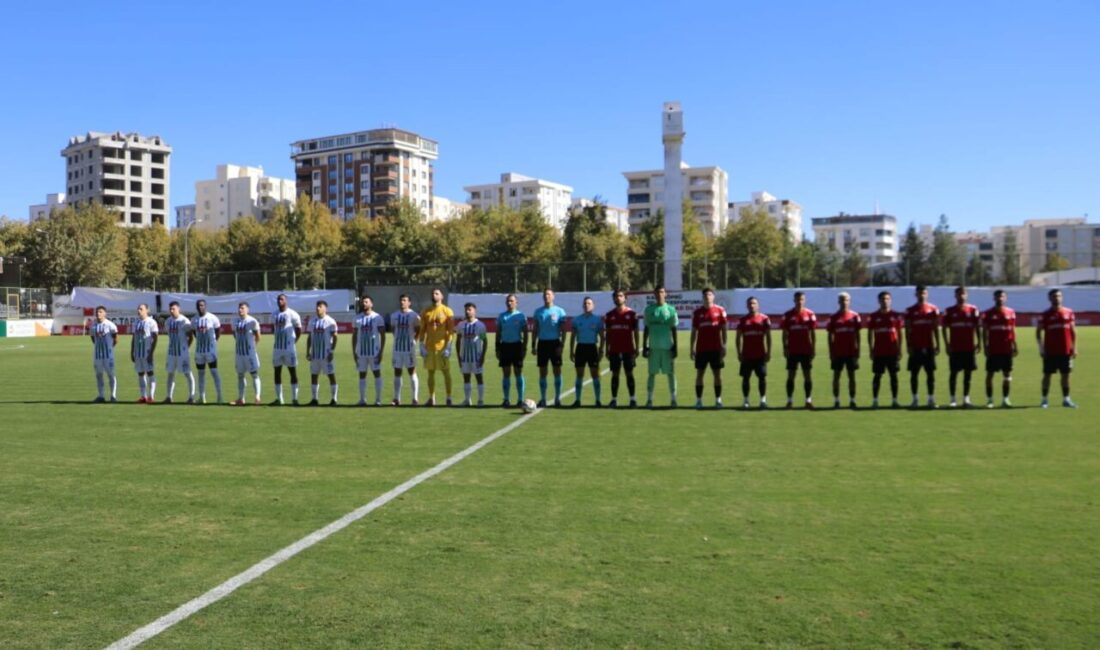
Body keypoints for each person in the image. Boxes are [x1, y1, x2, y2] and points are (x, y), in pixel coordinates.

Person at [1037, 288, 1077, 408]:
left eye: (1059, 296)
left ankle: (1066, 399)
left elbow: (1073, 331)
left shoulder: (1069, 312)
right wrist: (1041, 348)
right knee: (1047, 375)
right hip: (1050, 351)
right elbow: (1038, 332)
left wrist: (1074, 347)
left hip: (1066, 351)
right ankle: (1044, 400)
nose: (1057, 298)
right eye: (1054, 296)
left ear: (1062, 297)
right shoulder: (1045, 314)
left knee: (1066, 375)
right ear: (1049, 299)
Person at [943, 286, 981, 408]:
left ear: (967, 295)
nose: (962, 296)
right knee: (953, 373)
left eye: (964, 294)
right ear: (955, 296)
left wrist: (979, 342)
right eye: (959, 294)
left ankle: (966, 399)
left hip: (969, 347)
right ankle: (952, 399)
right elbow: (944, 328)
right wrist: (947, 344)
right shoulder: (949, 311)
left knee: (968, 374)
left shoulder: (973, 310)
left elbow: (977, 327)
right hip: (955, 347)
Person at [905, 285, 942, 408]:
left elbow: (935, 328)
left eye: (924, 293)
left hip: (929, 346)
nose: (922, 295)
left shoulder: (933, 309)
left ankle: (931, 399)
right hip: (915, 347)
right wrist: (909, 345)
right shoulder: (910, 310)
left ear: (927, 294)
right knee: (914, 374)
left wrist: (937, 344)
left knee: (930, 374)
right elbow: (908, 329)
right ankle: (915, 399)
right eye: (919, 293)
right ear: (916, 295)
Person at [690, 287, 727, 409]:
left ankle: (718, 400)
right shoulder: (697, 313)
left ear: (713, 296)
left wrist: (724, 346)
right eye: (705, 295)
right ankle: (699, 401)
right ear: (702, 297)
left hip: (716, 349)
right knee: (700, 374)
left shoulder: (720, 310)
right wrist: (692, 348)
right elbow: (694, 332)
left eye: (710, 294)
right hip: (701, 349)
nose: (707, 296)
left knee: (717, 375)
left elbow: (724, 330)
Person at [643, 286, 679, 408]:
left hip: (667, 348)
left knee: (671, 373)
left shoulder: (671, 309)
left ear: (665, 294)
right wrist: (645, 346)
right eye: (657, 292)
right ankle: (649, 400)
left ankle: (673, 399)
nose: (659, 294)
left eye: (662, 292)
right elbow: (646, 328)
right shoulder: (649, 310)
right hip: (653, 348)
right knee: (651, 373)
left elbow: (674, 329)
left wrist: (675, 347)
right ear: (654, 294)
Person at [419, 288, 456, 406]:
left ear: (441, 296)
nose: (434, 295)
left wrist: (448, 346)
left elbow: (450, 331)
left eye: (436, 293)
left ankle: (449, 398)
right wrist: (421, 345)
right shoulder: (426, 311)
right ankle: (431, 398)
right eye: (433, 293)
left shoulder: (447, 311)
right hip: (429, 347)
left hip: (442, 348)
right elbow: (422, 330)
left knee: (446, 373)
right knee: (430, 373)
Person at [981, 289, 1017, 408]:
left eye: (1002, 296)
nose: (1000, 298)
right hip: (993, 349)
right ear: (994, 298)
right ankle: (990, 400)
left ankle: (1005, 399)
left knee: (1007, 375)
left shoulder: (1011, 312)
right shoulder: (988, 313)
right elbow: (984, 332)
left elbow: (1012, 330)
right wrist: (985, 346)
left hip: (1007, 349)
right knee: (989, 375)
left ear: (1005, 298)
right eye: (998, 296)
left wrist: (1015, 345)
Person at [867, 291, 904, 408]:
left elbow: (900, 333)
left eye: (887, 299)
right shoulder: (873, 316)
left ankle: (895, 400)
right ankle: (875, 400)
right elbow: (870, 334)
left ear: (891, 300)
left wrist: (900, 349)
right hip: (879, 351)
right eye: (883, 299)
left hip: (892, 351)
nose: (885, 301)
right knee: (877, 376)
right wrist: (871, 349)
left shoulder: (896, 315)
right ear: (879, 301)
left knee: (893, 375)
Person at [604, 289, 640, 408]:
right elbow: (608, 334)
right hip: (614, 349)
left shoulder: (632, 314)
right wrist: (607, 349)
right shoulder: (609, 315)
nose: (618, 298)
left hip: (628, 349)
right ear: (613, 299)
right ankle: (614, 400)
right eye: (616, 296)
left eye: (620, 296)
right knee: (615, 374)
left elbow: (636, 333)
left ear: (625, 298)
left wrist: (636, 348)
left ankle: (633, 399)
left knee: (629, 373)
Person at [781, 291, 816, 409]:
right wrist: (785, 348)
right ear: (794, 300)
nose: (799, 301)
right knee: (791, 376)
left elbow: (813, 333)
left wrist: (813, 348)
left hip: (806, 350)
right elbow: (784, 334)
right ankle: (789, 400)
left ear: (804, 300)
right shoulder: (788, 315)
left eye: (801, 299)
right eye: (797, 299)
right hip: (792, 350)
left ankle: (808, 400)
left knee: (807, 376)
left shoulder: (810, 314)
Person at [532, 288, 567, 407]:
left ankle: (557, 399)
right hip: (542, 344)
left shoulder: (560, 311)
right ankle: (543, 399)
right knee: (543, 372)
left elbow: (563, 330)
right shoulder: (538, 311)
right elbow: (535, 329)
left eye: (548, 294)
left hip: (555, 343)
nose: (546, 296)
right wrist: (533, 344)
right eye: (545, 294)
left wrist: (561, 345)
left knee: (557, 371)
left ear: (553, 296)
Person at [569, 296, 605, 407]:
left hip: (592, 348)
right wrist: (571, 351)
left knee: (595, 375)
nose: (586, 305)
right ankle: (577, 400)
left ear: (593, 306)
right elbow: (573, 336)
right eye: (585, 303)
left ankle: (598, 400)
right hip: (580, 348)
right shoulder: (577, 320)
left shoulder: (597, 320)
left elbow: (602, 337)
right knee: (579, 375)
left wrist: (601, 350)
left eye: (589, 303)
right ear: (582, 305)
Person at [827, 292, 861, 409]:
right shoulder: (833, 317)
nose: (844, 302)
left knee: (852, 377)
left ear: (849, 301)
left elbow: (858, 335)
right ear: (838, 302)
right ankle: (836, 400)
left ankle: (852, 400)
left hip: (851, 352)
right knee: (836, 377)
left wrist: (858, 351)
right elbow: (830, 336)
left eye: (846, 300)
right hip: (838, 352)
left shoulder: (855, 316)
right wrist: (831, 352)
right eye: (842, 300)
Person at [736, 296, 771, 409]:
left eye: (754, 303)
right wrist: (739, 353)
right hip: (746, 355)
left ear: (758, 305)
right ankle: (746, 401)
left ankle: (763, 400)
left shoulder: (764, 319)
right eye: (750, 303)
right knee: (746, 378)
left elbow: (768, 337)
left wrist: (768, 352)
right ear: (747, 306)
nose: (752, 305)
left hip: (760, 355)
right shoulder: (742, 320)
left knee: (762, 378)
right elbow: (738, 338)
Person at [352, 295, 386, 406]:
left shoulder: (377, 317)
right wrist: (354, 352)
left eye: (366, 302)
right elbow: (354, 336)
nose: (364, 303)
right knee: (362, 375)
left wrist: (381, 352)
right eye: (363, 302)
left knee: (377, 374)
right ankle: (362, 399)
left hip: (374, 352)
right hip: (361, 352)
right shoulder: (357, 318)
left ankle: (378, 400)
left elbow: (383, 335)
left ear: (371, 304)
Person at [496, 293, 528, 407]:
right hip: (505, 346)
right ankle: (506, 399)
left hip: (517, 346)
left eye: (512, 301)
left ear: (516, 303)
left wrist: (524, 347)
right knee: (506, 373)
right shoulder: (501, 316)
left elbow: (525, 333)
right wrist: (497, 348)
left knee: (518, 372)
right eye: (508, 301)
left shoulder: (521, 316)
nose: (509, 303)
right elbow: (498, 333)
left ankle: (520, 399)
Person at [271, 293, 302, 406]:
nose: (279, 301)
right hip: (277, 348)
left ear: (286, 301)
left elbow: (299, 329)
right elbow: (272, 328)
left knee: (292, 372)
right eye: (278, 299)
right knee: (277, 372)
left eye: (282, 299)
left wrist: (294, 341)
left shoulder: (292, 314)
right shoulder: (274, 314)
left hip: (289, 349)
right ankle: (280, 399)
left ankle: (295, 398)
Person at [390, 294, 421, 406]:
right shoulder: (394, 315)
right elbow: (393, 329)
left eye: (404, 300)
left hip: (409, 348)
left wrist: (414, 340)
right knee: (397, 372)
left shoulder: (414, 315)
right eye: (401, 300)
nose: (402, 302)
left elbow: (418, 329)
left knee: (411, 371)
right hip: (397, 348)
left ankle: (415, 398)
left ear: (409, 303)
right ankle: (396, 398)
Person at [162, 301, 195, 404]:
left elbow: (191, 337)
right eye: (170, 309)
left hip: (182, 352)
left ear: (178, 309)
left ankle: (191, 396)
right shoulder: (168, 322)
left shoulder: (184, 321)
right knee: (170, 373)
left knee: (187, 373)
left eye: (174, 309)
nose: (172, 311)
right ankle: (169, 397)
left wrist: (186, 348)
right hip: (171, 352)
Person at [307, 300, 338, 406]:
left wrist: (332, 351)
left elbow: (335, 337)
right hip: (315, 355)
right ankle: (314, 399)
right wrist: (308, 351)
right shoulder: (312, 321)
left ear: (325, 308)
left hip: (326, 355)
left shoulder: (330, 321)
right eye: (317, 306)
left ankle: (334, 399)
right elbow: (310, 337)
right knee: (314, 376)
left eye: (320, 306)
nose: (317, 308)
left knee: (331, 375)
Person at [456, 302, 488, 407]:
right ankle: (467, 400)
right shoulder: (461, 325)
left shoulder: (480, 325)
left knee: (479, 377)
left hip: (476, 357)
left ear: (475, 311)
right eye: (466, 309)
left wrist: (482, 356)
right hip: (465, 357)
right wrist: (459, 356)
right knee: (466, 377)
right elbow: (458, 341)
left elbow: (484, 341)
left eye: (469, 309)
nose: (467, 311)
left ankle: (480, 400)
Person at [192, 299, 223, 404]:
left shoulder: (212, 318)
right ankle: (202, 397)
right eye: (198, 305)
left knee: (214, 372)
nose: (200, 307)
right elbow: (194, 332)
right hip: (199, 351)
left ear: (205, 306)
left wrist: (213, 343)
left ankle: (220, 397)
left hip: (210, 351)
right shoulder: (194, 319)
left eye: (202, 305)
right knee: (200, 373)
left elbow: (218, 331)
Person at [232, 302, 262, 405]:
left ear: (247, 310)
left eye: (242, 308)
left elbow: (258, 336)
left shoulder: (252, 321)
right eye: (239, 308)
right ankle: (241, 398)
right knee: (240, 375)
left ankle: (257, 397)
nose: (240, 310)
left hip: (250, 354)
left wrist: (253, 347)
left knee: (254, 374)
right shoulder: (235, 321)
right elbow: (235, 334)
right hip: (239, 354)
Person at [89, 305, 118, 402]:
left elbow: (116, 339)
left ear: (105, 313)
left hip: (108, 355)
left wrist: (109, 348)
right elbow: (93, 338)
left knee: (111, 375)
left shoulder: (110, 325)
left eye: (100, 312)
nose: (98, 313)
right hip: (97, 355)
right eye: (97, 312)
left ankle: (113, 396)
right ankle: (101, 396)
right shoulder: (93, 326)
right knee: (99, 375)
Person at [131, 303, 159, 403]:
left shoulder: (151, 322)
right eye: (138, 309)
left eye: (141, 309)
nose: (139, 310)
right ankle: (143, 396)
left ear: (147, 310)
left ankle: (151, 396)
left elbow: (155, 338)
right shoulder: (136, 322)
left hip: (147, 353)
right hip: (138, 353)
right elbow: (134, 338)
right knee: (140, 373)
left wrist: (151, 353)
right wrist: (132, 352)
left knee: (150, 372)